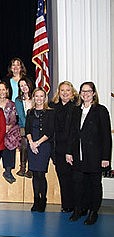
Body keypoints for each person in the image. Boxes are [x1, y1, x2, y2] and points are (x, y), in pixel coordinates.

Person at [67, 82, 112, 225]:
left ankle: (93, 212)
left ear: (93, 93)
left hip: (95, 156)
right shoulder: (75, 111)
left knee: (94, 185)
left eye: (88, 91)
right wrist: (69, 152)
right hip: (78, 155)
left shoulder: (101, 111)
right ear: (80, 94)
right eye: (83, 91)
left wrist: (106, 157)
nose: (85, 94)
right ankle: (79, 209)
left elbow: (106, 136)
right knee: (78, 184)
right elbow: (72, 134)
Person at [49, 81, 78, 213]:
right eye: (62, 90)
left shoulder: (76, 108)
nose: (65, 93)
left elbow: (75, 132)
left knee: (73, 178)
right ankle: (66, 205)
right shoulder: (53, 107)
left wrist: (69, 151)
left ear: (72, 93)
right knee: (62, 178)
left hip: (71, 149)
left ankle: (75, 205)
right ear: (58, 93)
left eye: (67, 90)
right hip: (57, 149)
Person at [26, 87, 54, 212]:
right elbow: (27, 130)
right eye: (36, 96)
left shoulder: (50, 112)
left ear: (45, 98)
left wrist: (37, 143)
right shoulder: (30, 112)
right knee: (34, 175)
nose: (39, 99)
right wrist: (31, 143)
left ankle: (43, 200)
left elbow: (50, 131)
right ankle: (36, 199)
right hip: (32, 145)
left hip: (44, 145)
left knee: (41, 174)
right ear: (33, 98)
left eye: (41, 96)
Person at [0, 82, 21, 184]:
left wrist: (8, 127)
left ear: (7, 91)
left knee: (10, 140)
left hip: (8, 129)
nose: (1, 92)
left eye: (3, 89)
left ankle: (8, 170)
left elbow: (13, 119)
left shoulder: (11, 104)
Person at [15, 77, 35, 178]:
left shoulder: (36, 97)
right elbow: (21, 116)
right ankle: (23, 167)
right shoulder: (18, 100)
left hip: (35, 126)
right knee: (25, 142)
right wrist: (28, 130)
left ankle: (31, 168)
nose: (24, 87)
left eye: (25, 85)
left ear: (29, 84)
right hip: (24, 126)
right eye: (21, 86)